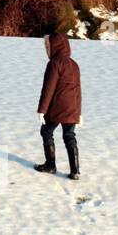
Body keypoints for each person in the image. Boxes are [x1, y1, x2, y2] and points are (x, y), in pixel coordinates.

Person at [33, 31, 81, 179]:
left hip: (57, 106)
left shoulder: (54, 63)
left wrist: (42, 110)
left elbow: (48, 88)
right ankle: (75, 171)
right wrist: (78, 113)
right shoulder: (74, 64)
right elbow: (78, 90)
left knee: (46, 131)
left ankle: (50, 165)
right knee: (69, 136)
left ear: (55, 46)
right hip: (72, 107)